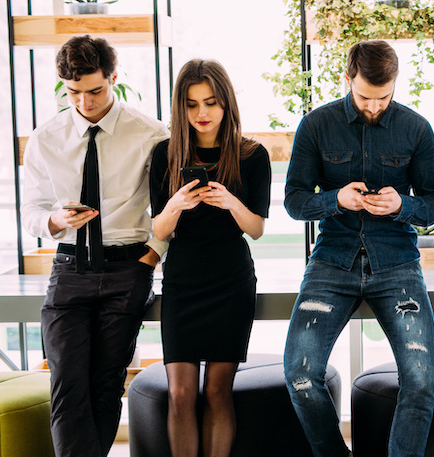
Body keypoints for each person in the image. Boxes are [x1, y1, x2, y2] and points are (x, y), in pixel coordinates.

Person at [283, 39, 434, 457]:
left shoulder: (417, 128)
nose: (374, 107)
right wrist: (334, 199)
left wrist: (402, 205)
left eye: (384, 98)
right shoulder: (316, 125)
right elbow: (294, 201)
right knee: (300, 375)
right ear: (347, 79)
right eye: (364, 98)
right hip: (331, 260)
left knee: (423, 379)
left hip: (397, 263)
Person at [21, 35, 168, 457]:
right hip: (69, 270)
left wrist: (152, 255)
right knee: (67, 385)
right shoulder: (45, 138)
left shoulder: (151, 134)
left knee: (105, 385)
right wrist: (53, 220)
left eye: (94, 90)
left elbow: (170, 206)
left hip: (128, 269)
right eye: (73, 93)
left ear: (114, 78)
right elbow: (30, 209)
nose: (84, 102)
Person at [149, 59, 271, 457]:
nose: (202, 113)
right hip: (183, 280)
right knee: (181, 392)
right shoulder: (164, 154)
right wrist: (177, 205)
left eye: (211, 103)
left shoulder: (252, 155)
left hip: (230, 280)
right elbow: (159, 231)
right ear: (179, 107)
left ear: (227, 104)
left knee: (218, 391)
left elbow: (255, 228)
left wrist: (231, 201)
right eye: (191, 104)